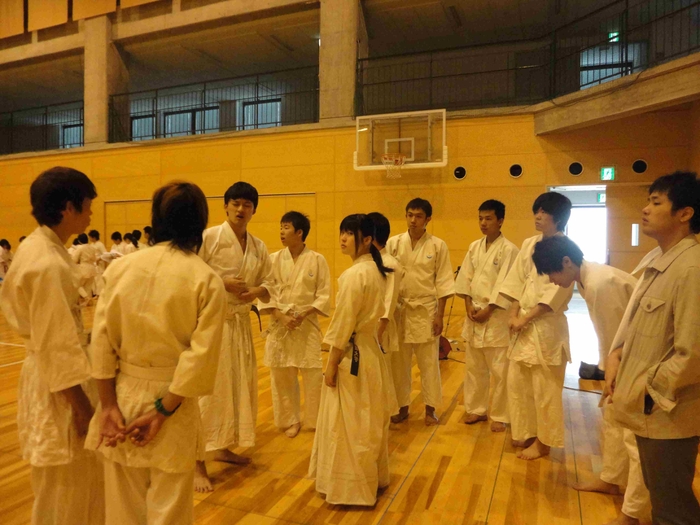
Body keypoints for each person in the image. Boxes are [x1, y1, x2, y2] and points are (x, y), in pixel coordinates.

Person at [85, 181, 226, 525]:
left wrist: (108, 406)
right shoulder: (205, 279)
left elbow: (101, 343)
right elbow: (200, 358)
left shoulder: (120, 268)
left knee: (122, 509)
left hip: (122, 396)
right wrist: (161, 412)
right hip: (173, 402)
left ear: (156, 219)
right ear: (200, 223)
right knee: (170, 511)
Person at [0, 166, 104, 524]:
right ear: (68, 208)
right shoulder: (46, 263)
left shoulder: (39, 247)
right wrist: (83, 409)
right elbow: (56, 345)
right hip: (59, 386)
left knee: (69, 486)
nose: (91, 213)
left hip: (53, 376)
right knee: (67, 488)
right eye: (87, 205)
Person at [532, 235, 649, 525]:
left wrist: (612, 376)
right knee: (612, 422)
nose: (552, 280)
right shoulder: (587, 279)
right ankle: (611, 479)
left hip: (637, 362)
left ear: (566, 262)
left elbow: (617, 339)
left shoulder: (600, 283)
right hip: (623, 358)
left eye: (552, 273)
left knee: (632, 437)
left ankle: (633, 513)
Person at [607, 171, 700, 525]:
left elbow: (693, 354)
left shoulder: (691, 268)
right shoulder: (661, 261)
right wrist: (618, 357)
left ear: (685, 213)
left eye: (656, 202)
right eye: (647, 201)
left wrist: (648, 388)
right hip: (652, 413)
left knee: (673, 510)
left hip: (668, 414)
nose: (645, 209)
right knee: (663, 501)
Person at [309, 214, 395, 506]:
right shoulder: (376, 271)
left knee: (349, 425)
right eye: (342, 232)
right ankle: (373, 479)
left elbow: (343, 324)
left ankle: (352, 489)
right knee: (366, 421)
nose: (343, 238)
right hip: (369, 353)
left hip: (353, 355)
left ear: (367, 240)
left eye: (350, 233)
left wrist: (331, 364)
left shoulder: (355, 275)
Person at [196, 181, 274, 492]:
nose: (241, 209)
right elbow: (191, 273)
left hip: (240, 325)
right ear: (226, 205)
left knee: (235, 389)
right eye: (236, 203)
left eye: (247, 205)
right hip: (213, 324)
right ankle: (196, 462)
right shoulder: (210, 237)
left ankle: (222, 446)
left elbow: (271, 282)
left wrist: (257, 290)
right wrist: (222, 282)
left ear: (254, 210)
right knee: (209, 391)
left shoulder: (258, 246)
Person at [499, 192, 574, 460]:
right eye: (537, 211)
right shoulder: (530, 244)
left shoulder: (568, 249)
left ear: (559, 218)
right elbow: (517, 281)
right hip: (522, 326)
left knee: (546, 390)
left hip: (546, 326)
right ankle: (527, 432)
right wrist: (513, 313)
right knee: (518, 384)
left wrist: (525, 318)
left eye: (544, 212)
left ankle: (544, 443)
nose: (538, 216)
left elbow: (556, 293)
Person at [258, 211, 330, 438]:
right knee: (282, 375)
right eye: (281, 226)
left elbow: (324, 294)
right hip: (280, 324)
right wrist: (281, 316)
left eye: (286, 227)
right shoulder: (273, 260)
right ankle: (290, 420)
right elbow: (265, 293)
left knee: (312, 374)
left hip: (305, 323)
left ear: (299, 232)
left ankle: (315, 420)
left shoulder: (317, 260)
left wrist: (303, 313)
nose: (281, 231)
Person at [385, 198, 455, 425]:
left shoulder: (437, 246)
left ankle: (430, 408)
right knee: (399, 363)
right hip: (400, 308)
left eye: (418, 216)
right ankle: (402, 406)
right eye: (410, 215)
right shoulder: (394, 243)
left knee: (428, 363)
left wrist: (439, 315)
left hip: (426, 309)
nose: (413, 220)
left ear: (428, 219)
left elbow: (443, 282)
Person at [455, 200, 518, 432]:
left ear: (500, 220)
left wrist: (489, 309)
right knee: (474, 367)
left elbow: (506, 285)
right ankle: (476, 409)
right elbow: (466, 278)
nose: (483, 223)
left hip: (496, 316)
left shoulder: (509, 250)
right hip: (474, 312)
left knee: (500, 370)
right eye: (480, 218)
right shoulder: (474, 247)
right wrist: (468, 304)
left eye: (488, 218)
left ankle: (500, 415)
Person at [367, 212, 404, 404]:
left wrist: (379, 331)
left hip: (381, 328)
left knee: (383, 372)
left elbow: (389, 302)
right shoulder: (369, 261)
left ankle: (385, 413)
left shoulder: (390, 263)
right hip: (367, 326)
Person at [71, 232, 98, 301]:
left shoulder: (80, 248)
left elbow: (74, 259)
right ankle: (87, 301)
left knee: (77, 285)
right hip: (92, 268)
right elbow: (95, 259)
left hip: (83, 267)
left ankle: (86, 297)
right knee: (88, 287)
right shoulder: (92, 248)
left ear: (79, 241)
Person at [88, 230, 107, 296]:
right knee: (94, 280)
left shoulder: (100, 244)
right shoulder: (91, 245)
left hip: (99, 264)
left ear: (94, 237)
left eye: (90, 237)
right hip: (93, 263)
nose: (89, 238)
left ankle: (100, 294)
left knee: (99, 279)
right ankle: (95, 293)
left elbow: (105, 254)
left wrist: (99, 258)